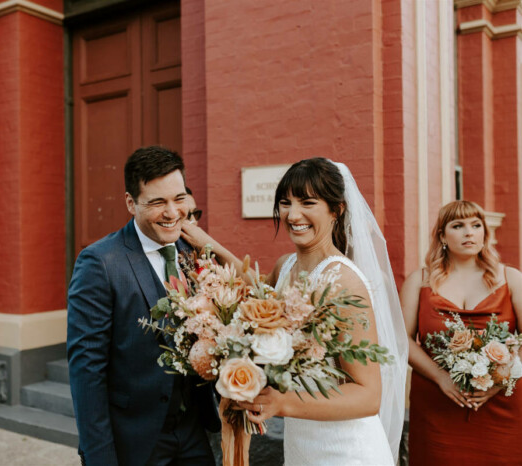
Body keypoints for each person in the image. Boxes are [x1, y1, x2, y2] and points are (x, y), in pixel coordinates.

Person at [182, 157, 408, 465]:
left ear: (336, 210)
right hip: (303, 442)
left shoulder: (343, 281)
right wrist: (207, 244)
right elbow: (255, 287)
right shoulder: (285, 264)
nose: (293, 214)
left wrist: (282, 402)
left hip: (345, 449)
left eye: (308, 202)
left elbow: (368, 396)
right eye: (286, 202)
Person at [67, 146, 220, 466]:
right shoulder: (99, 262)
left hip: (193, 430)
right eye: (157, 202)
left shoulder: (192, 250)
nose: (172, 212)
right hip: (134, 439)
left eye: (179, 199)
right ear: (130, 203)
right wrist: (100, 457)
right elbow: (87, 369)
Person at [400, 200, 522, 465]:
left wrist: (498, 381)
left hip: (502, 405)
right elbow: (403, 340)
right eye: (458, 225)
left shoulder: (511, 278)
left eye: (476, 225)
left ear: (484, 234)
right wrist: (442, 377)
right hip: (437, 403)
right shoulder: (419, 281)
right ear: (442, 236)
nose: (469, 232)